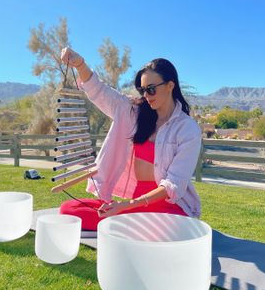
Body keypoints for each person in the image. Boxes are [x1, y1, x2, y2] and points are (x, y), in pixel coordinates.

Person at [59, 47, 202, 231]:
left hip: (168, 207)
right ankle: (130, 225)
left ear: (170, 85)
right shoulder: (133, 112)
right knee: (69, 209)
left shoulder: (187, 129)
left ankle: (132, 226)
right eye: (142, 90)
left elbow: (173, 185)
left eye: (151, 89)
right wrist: (80, 64)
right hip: (133, 205)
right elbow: (100, 91)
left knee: (166, 230)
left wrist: (126, 205)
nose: (146, 96)